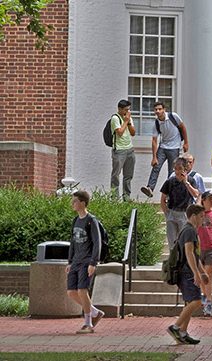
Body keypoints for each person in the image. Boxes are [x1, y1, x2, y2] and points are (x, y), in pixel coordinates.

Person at [166, 204, 209, 345]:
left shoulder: (190, 230)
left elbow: (195, 256)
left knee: (190, 302)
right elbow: (189, 253)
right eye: (201, 216)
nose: (203, 219)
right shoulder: (189, 230)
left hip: (188, 270)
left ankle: (183, 333)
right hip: (186, 271)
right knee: (196, 301)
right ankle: (176, 327)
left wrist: (202, 272)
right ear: (193, 216)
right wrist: (196, 274)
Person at [66, 190, 104, 334]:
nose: (72, 204)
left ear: (82, 203)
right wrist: (69, 262)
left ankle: (88, 323)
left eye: (75, 201)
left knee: (82, 290)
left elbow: (97, 242)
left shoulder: (91, 220)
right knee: (71, 292)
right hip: (75, 261)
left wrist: (93, 263)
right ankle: (95, 312)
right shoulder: (76, 220)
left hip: (87, 261)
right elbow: (73, 242)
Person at [140, 101, 188, 198]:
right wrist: (154, 157)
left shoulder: (173, 116)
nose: (158, 111)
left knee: (172, 171)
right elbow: (154, 140)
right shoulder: (157, 123)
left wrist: (186, 143)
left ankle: (170, 193)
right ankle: (150, 188)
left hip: (174, 147)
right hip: (163, 147)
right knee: (156, 166)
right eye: (156, 109)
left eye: (160, 109)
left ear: (164, 110)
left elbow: (183, 127)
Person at [160, 158, 200, 249]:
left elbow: (196, 194)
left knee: (184, 240)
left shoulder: (191, 180)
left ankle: (183, 260)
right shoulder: (170, 181)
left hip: (185, 213)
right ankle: (173, 260)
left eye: (180, 169)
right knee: (172, 240)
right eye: (176, 169)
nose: (177, 171)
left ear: (185, 169)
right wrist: (167, 213)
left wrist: (186, 183)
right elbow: (163, 199)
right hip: (172, 212)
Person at [110, 99, 136, 200]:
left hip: (130, 149)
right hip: (119, 151)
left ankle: (126, 197)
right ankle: (114, 198)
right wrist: (125, 121)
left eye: (129, 109)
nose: (127, 112)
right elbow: (120, 132)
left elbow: (133, 133)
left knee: (128, 175)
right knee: (116, 175)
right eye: (125, 109)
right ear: (120, 109)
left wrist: (129, 122)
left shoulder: (128, 118)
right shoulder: (115, 118)